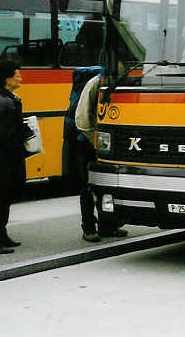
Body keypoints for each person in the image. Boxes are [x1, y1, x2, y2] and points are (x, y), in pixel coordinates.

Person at [0, 59, 30, 255]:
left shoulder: (3, 97)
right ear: (8, 79)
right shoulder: (4, 101)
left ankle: (1, 236)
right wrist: (24, 134)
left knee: (3, 199)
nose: (21, 77)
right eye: (17, 74)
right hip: (3, 160)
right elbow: (5, 135)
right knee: (0, 200)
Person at [75, 70, 128, 242]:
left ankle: (108, 226)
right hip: (88, 143)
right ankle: (88, 228)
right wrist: (97, 143)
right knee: (87, 187)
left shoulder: (121, 80)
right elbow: (81, 120)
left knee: (107, 186)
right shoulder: (94, 83)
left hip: (106, 144)